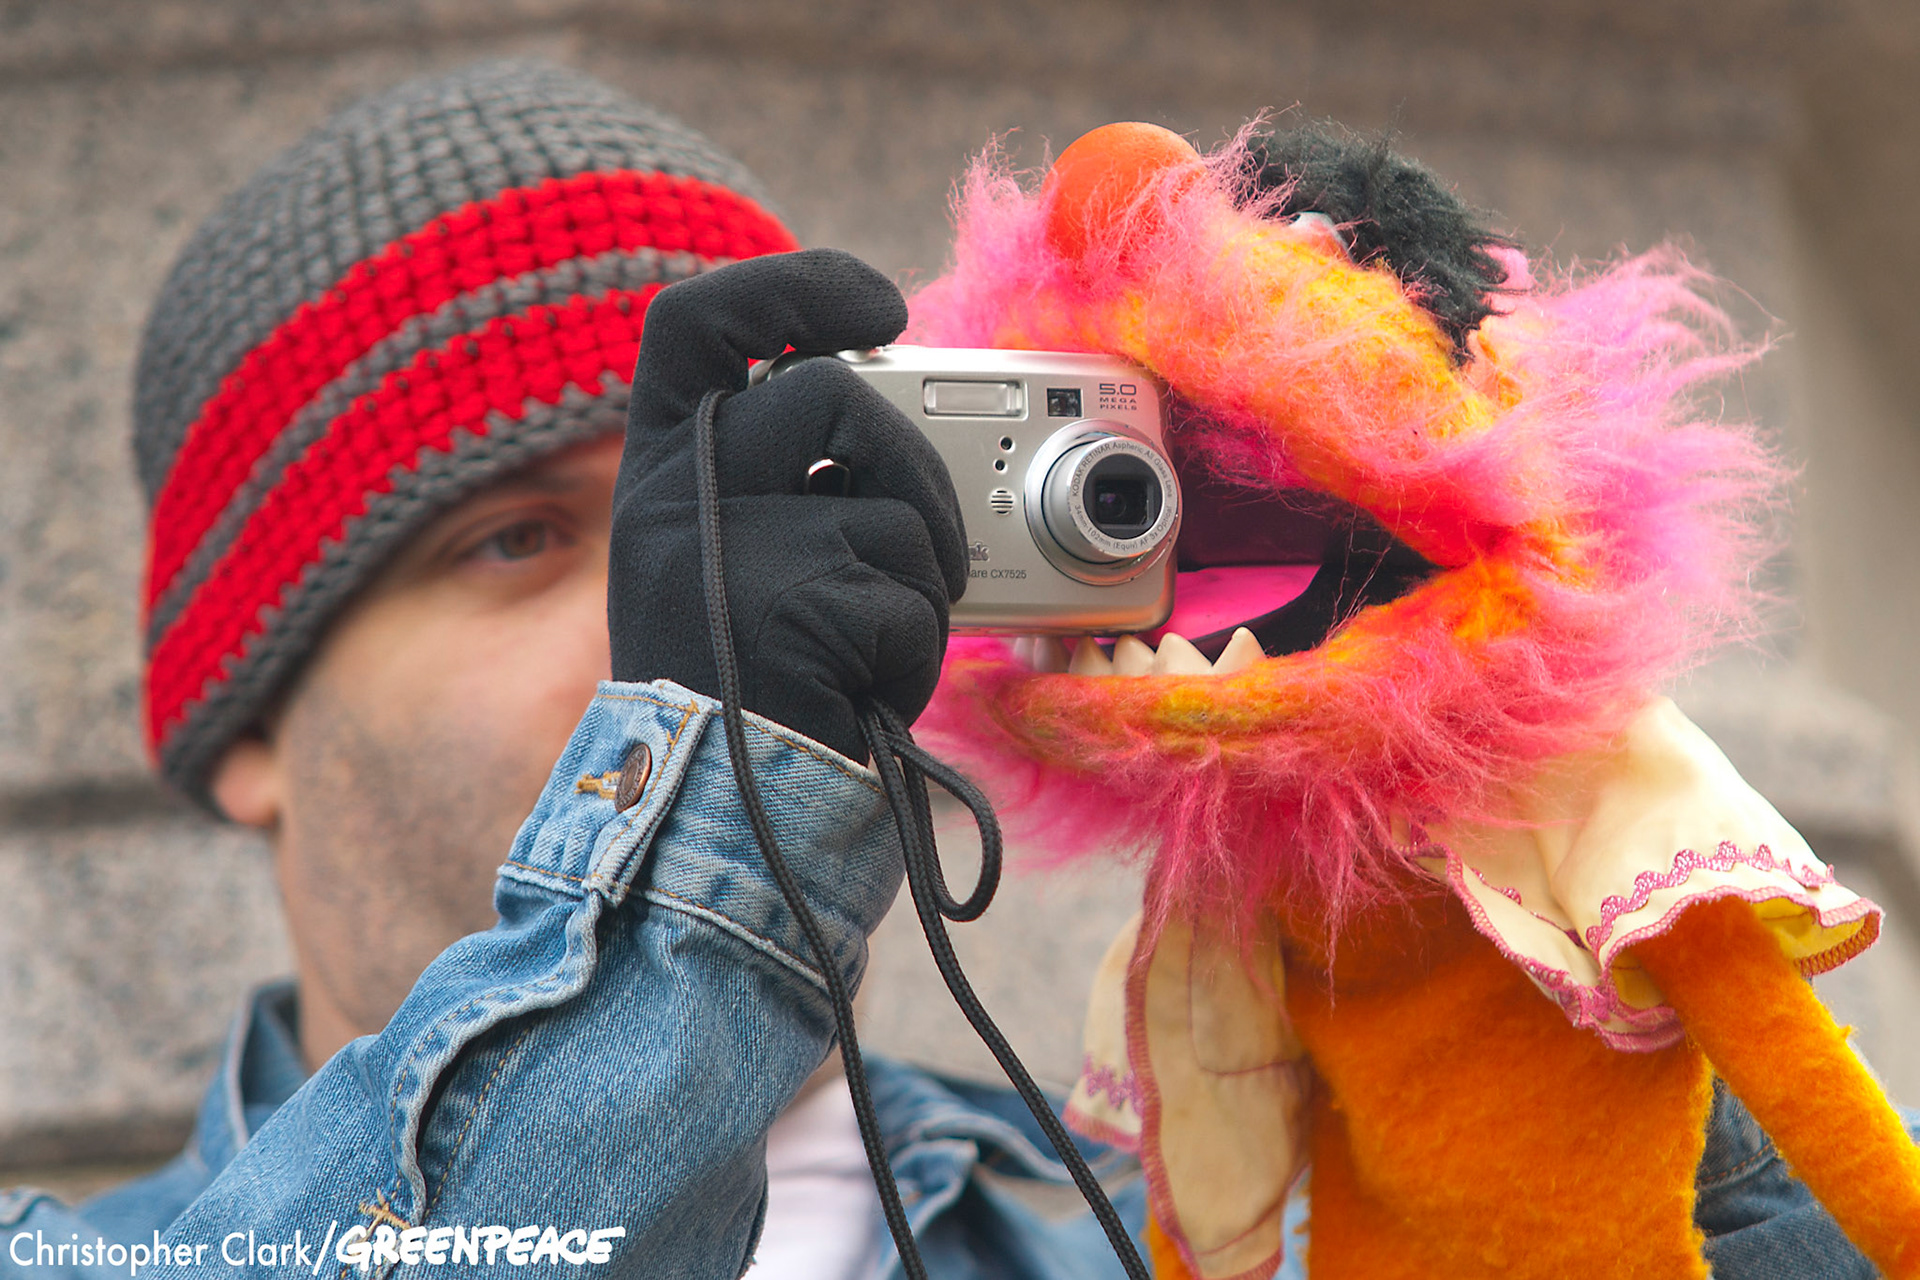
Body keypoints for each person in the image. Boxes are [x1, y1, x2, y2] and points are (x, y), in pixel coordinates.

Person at [0, 57, 1888, 1280]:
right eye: (515, 542)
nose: (676, 604)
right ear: (243, 724)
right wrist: (687, 874)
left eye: (748, 507)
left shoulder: (1186, 1235)